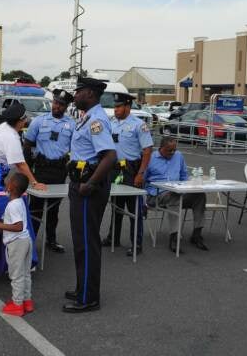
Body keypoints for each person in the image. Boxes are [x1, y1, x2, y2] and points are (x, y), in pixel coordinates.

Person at [63, 77, 116, 313]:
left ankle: (88, 298)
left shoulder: (96, 120)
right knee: (80, 241)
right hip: (80, 183)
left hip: (88, 186)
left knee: (86, 243)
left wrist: (90, 184)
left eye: (79, 92)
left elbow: (109, 156)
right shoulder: (86, 118)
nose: (75, 96)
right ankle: (82, 287)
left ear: (90, 94)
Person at [101, 92, 153, 257]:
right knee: (116, 205)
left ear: (128, 106)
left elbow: (147, 150)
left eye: (118, 106)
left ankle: (136, 243)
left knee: (134, 209)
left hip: (131, 170)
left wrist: (141, 173)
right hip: (114, 169)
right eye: (114, 106)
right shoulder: (111, 124)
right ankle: (113, 237)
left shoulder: (139, 125)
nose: (115, 109)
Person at [23, 89, 75, 253]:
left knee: (54, 209)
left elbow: (76, 148)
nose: (56, 106)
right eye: (55, 103)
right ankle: (29, 242)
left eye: (61, 104)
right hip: (40, 171)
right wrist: (28, 171)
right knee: (35, 209)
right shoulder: (39, 121)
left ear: (66, 107)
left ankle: (51, 240)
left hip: (59, 171)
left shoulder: (72, 124)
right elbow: (27, 145)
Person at [144, 137, 208, 253]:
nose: (172, 153)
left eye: (174, 150)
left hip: (178, 191)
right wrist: (142, 200)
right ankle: (174, 237)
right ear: (161, 148)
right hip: (156, 195)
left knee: (199, 195)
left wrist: (188, 188)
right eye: (169, 150)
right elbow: (142, 180)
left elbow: (184, 176)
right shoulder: (150, 158)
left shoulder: (178, 156)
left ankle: (197, 234)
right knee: (173, 196)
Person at [0, 173, 33, 317]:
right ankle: (27, 301)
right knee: (25, 273)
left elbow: (18, 226)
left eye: (8, 182)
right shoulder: (19, 202)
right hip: (26, 241)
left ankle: (17, 304)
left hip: (17, 243)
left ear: (12, 187)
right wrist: (2, 225)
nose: (5, 183)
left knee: (16, 275)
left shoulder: (12, 205)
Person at [0, 102, 45, 190]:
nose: (26, 120)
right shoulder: (11, 137)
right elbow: (20, 165)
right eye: (25, 118)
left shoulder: (4, 126)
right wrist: (34, 183)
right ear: (20, 121)